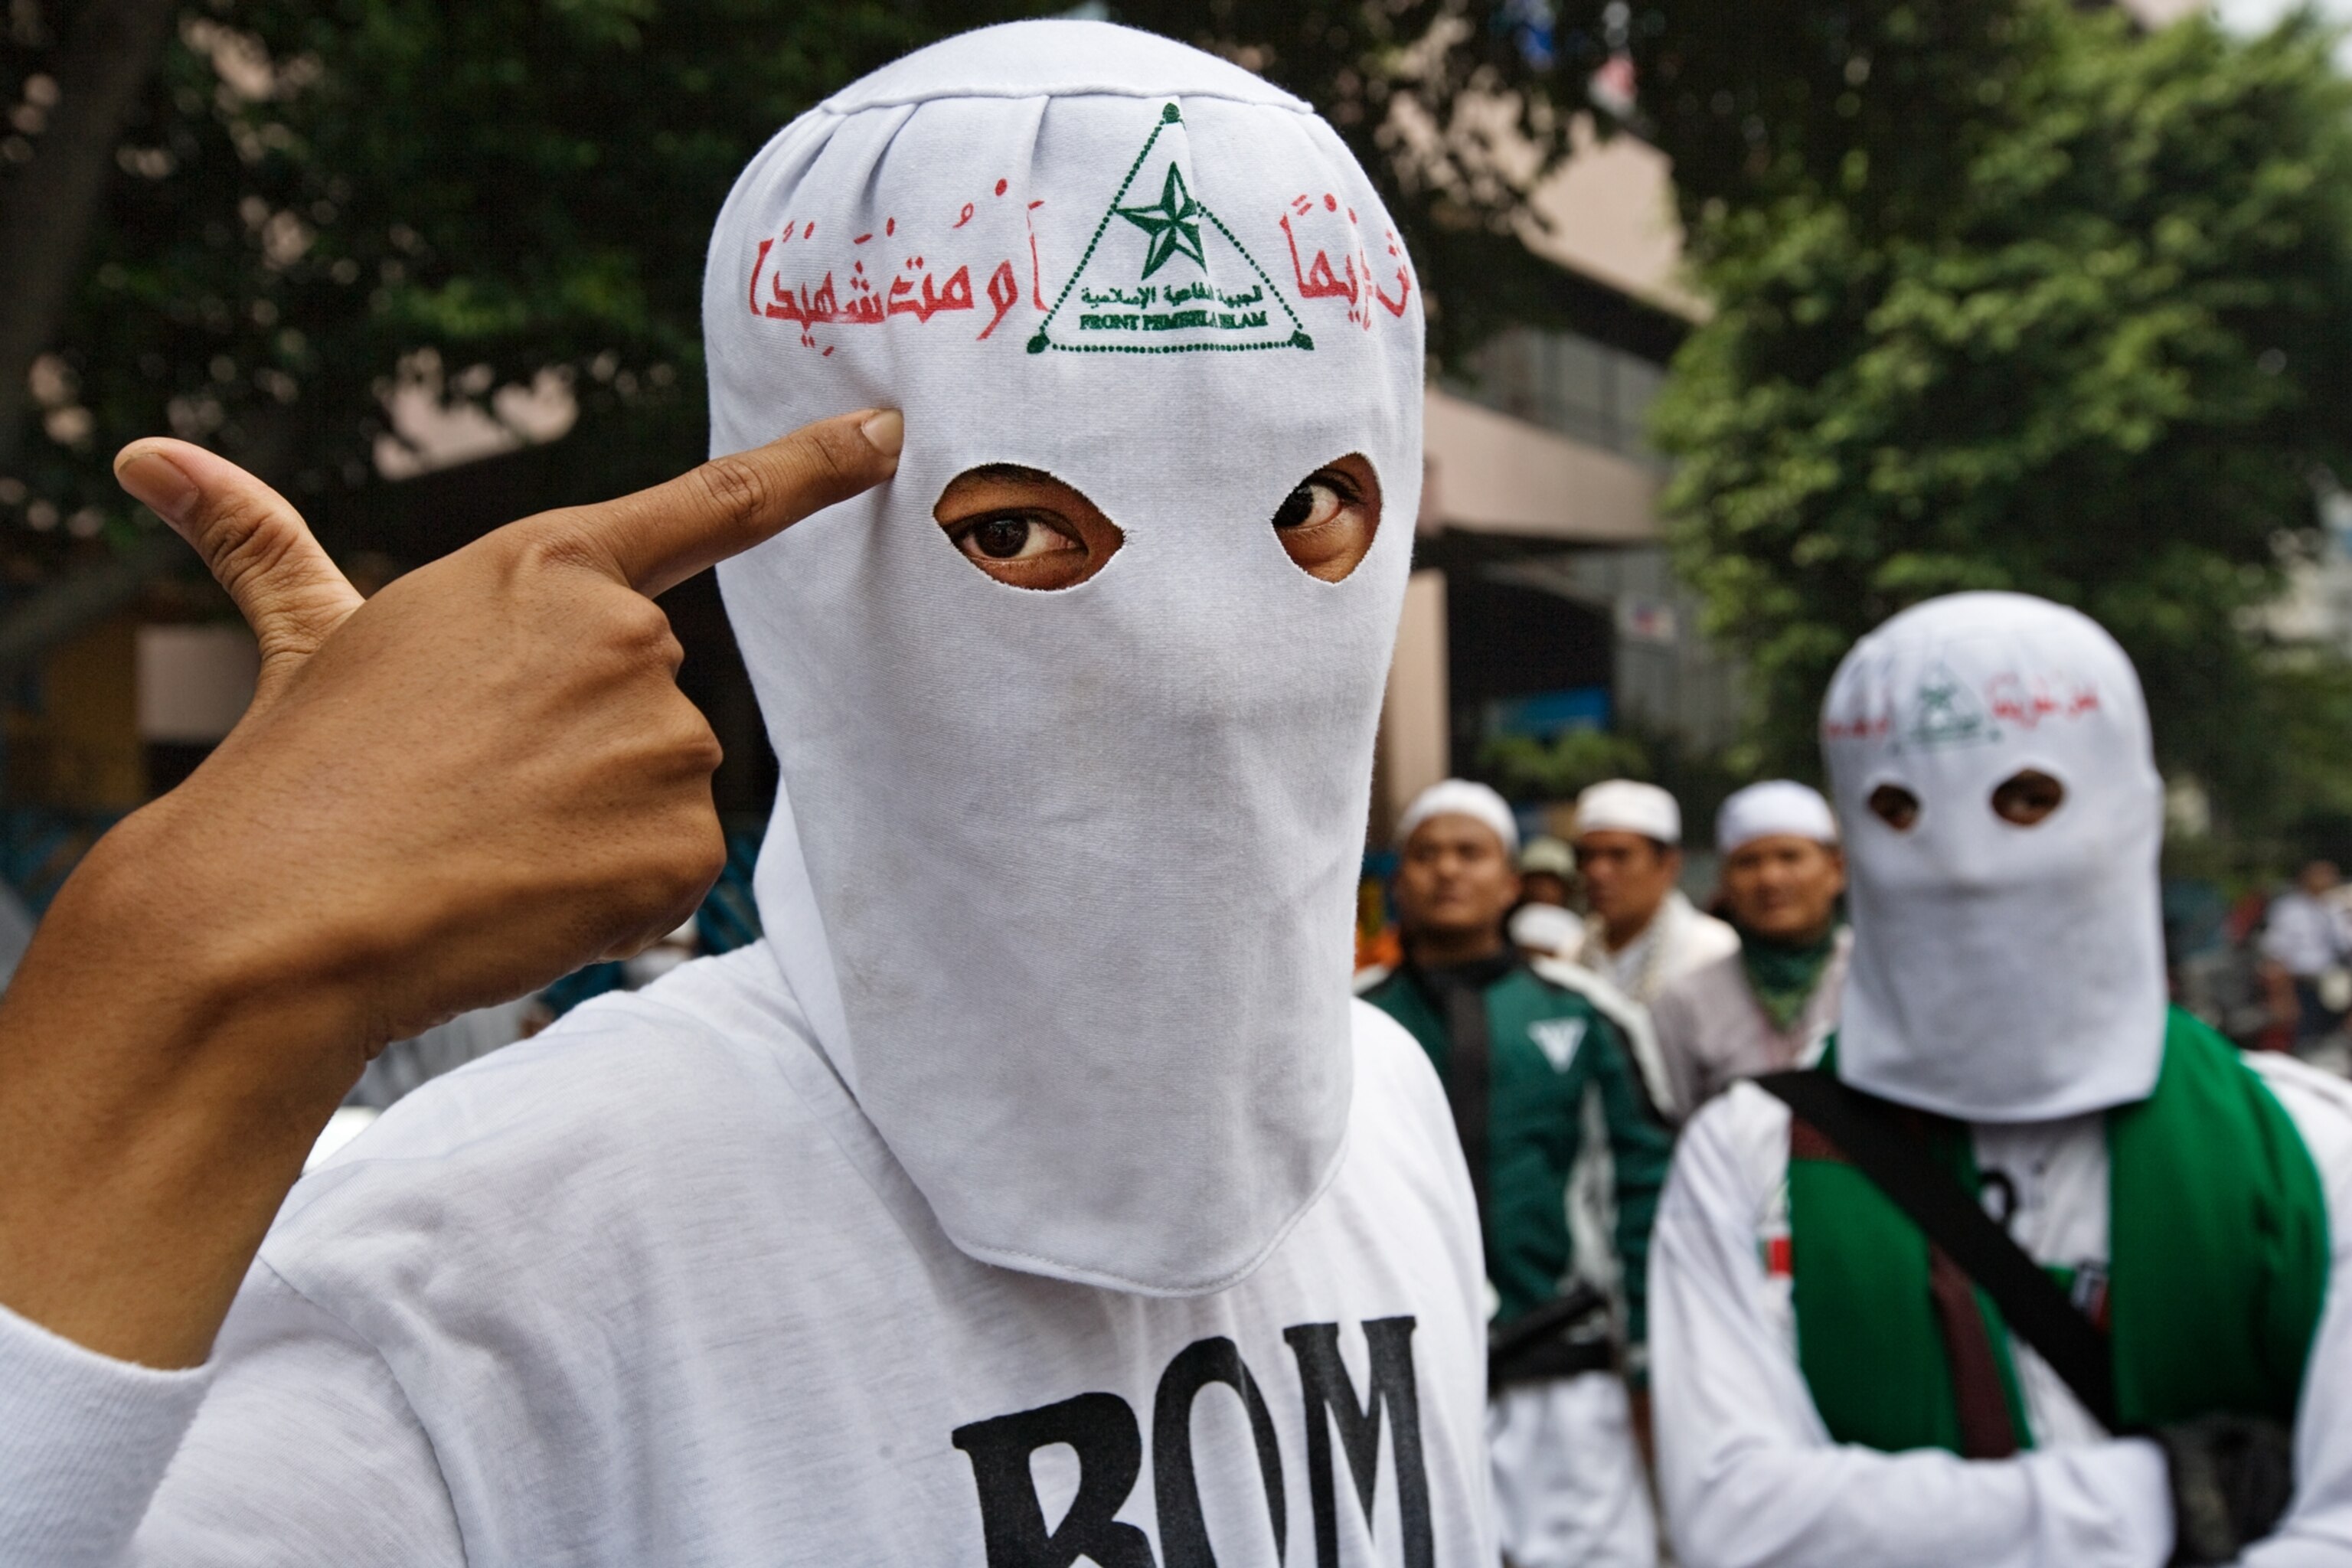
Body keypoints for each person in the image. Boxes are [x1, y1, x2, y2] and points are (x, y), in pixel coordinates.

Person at [0, 24, 1498, 1564]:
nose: (1207, 672)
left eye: (1313, 506)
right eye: (1022, 531)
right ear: (803, 559)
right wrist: (201, 957)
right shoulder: (471, 1280)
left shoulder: (1385, 1120)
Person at [1652, 592, 2352, 1567]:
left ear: (2128, 808)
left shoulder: (2311, 1151)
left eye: (2027, 798)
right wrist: (2164, 1492)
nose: (1965, 867)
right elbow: (1740, 1518)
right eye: (1901, 810)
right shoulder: (1745, 1159)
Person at [1358, 779, 1671, 1568]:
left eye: (1471, 852)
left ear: (1508, 878)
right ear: (1398, 880)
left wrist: (1649, 1363)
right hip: (1398, 1380)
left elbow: (1645, 1191)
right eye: (1427, 853)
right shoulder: (1346, 1020)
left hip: (1564, 1375)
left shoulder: (1592, 1013)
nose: (1448, 870)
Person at [1650, 780, 1849, 1119]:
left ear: (1836, 869)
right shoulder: (1685, 1003)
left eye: (1790, 857)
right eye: (1748, 862)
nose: (1770, 878)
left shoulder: (1880, 980)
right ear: (1724, 881)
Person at [1575, 779, 1738, 1011]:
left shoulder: (1714, 952)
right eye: (1588, 856)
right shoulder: (1572, 951)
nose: (1597, 872)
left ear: (1668, 865)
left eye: (1619, 856)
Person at [2259, 859, 2352, 1050]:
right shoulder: (2288, 909)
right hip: (2302, 983)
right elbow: (2275, 953)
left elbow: (2346, 943)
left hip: (2336, 979)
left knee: (2334, 1036)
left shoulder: (2335, 907)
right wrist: (2282, 996)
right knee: (2308, 1038)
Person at [1518, 835, 1578, 910]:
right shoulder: (1505, 920)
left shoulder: (1582, 921)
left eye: (1551, 883)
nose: (1542, 891)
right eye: (1536, 882)